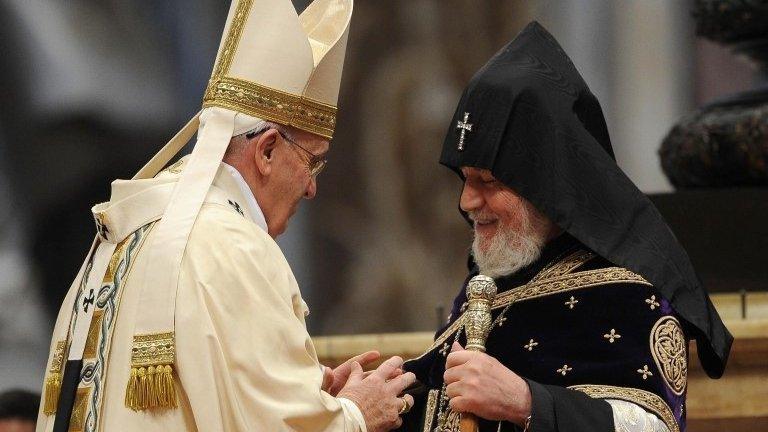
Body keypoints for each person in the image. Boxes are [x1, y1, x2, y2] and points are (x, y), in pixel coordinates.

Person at [35, 1, 415, 431]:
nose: (312, 187)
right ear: (267, 150)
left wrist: (306, 392)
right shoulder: (234, 246)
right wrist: (356, 415)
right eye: (313, 162)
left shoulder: (123, 228)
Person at [400, 22, 731, 432]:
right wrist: (363, 404)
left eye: (488, 182)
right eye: (465, 179)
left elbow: (653, 426)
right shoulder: (489, 288)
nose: (467, 202)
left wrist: (524, 401)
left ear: (545, 187)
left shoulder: (628, 292)